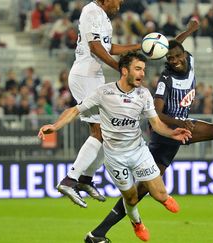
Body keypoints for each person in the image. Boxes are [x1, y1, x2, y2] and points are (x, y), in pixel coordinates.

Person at [85, 22, 213, 243]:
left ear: (185, 54)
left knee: (140, 191)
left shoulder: (189, 59)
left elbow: (175, 44)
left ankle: (98, 233)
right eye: (170, 59)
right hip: (166, 130)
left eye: (178, 57)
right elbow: (156, 113)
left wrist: (189, 30)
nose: (175, 61)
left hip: (178, 128)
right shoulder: (165, 80)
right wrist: (179, 123)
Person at [39, 52, 191, 241]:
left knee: (161, 195)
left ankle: (162, 198)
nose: (142, 74)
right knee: (131, 198)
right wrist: (54, 126)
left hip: (138, 152)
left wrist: (172, 132)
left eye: (143, 69)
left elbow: (157, 124)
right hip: (115, 158)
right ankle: (137, 223)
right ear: (124, 70)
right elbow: (74, 110)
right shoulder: (104, 92)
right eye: (138, 69)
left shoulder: (143, 94)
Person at [57, 0, 141, 208]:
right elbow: (95, 47)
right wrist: (121, 68)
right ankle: (70, 180)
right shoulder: (91, 11)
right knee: (100, 131)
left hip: (94, 76)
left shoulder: (103, 17)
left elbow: (108, 47)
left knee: (107, 132)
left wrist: (138, 46)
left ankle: (85, 179)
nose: (120, 3)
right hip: (85, 75)